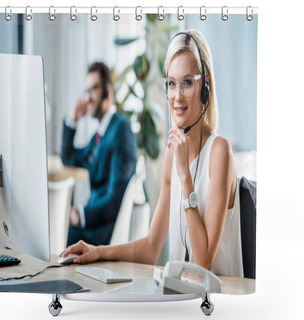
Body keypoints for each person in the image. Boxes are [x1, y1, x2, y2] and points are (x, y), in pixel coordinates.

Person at [60, 30, 244, 278]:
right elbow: (150, 247)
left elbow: (203, 265)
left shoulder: (219, 151)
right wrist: (97, 251)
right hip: (183, 297)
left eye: (187, 82)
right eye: (171, 83)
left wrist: (184, 175)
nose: (177, 96)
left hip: (217, 303)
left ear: (205, 86)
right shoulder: (172, 153)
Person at [61, 62, 137, 247]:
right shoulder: (99, 136)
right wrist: (73, 121)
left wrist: (80, 215)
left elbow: (114, 200)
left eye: (94, 89)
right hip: (92, 229)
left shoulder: (121, 130)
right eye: (87, 91)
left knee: (58, 234)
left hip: (102, 235)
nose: (89, 98)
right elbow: (69, 157)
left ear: (107, 92)